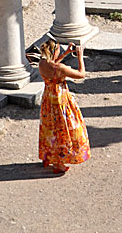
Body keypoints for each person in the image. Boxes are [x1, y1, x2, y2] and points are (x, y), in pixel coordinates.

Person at [38, 39, 91, 174]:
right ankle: (59, 163)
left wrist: (65, 54)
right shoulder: (60, 68)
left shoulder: (42, 63)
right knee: (64, 130)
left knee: (50, 129)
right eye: (58, 51)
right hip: (61, 101)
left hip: (48, 99)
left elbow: (53, 64)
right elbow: (81, 74)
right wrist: (80, 57)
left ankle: (48, 156)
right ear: (54, 51)